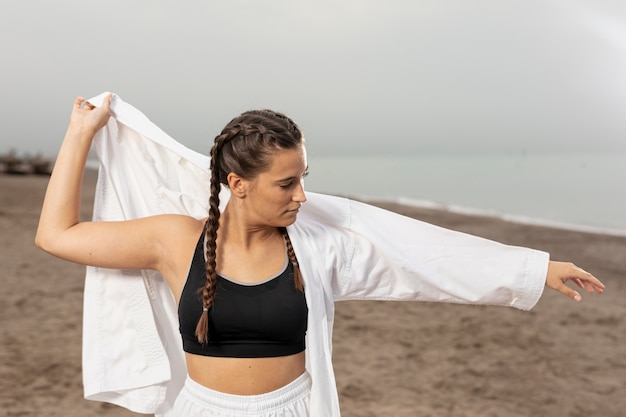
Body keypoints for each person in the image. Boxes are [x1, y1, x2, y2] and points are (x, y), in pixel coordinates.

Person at [35, 93, 605, 417]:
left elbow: (416, 256)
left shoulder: (318, 243)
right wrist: (79, 133)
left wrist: (531, 269)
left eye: (304, 178)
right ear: (237, 183)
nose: (302, 196)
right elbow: (57, 235)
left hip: (294, 409)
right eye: (286, 184)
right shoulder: (174, 240)